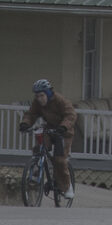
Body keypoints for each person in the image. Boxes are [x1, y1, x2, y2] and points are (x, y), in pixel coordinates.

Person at [22, 77, 78, 207]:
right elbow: (31, 114)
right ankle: (36, 174)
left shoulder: (60, 101)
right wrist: (25, 124)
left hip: (64, 132)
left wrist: (63, 126)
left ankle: (67, 187)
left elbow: (71, 115)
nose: (40, 99)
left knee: (59, 159)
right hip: (49, 128)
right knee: (38, 150)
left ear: (47, 93)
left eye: (42, 95)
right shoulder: (37, 103)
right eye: (37, 96)